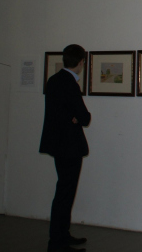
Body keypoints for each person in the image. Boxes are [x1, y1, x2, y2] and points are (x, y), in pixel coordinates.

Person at [39, 44, 91, 252]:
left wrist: (74, 117)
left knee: (63, 191)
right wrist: (76, 118)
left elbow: (59, 114)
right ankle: (58, 241)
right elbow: (85, 117)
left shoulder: (53, 80)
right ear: (80, 62)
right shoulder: (70, 84)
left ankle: (61, 235)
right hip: (69, 146)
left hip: (58, 145)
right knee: (65, 194)